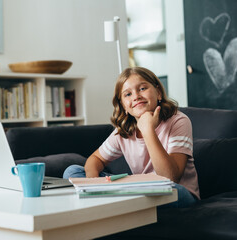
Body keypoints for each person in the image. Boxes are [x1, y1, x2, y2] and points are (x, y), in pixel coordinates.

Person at [63, 67, 200, 207]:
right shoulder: (124, 131)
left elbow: (170, 177)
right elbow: (95, 159)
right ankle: (110, 200)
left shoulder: (178, 121)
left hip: (176, 192)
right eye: (127, 94)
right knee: (73, 171)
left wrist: (148, 130)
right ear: (123, 106)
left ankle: (115, 203)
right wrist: (93, 185)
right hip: (139, 189)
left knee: (170, 189)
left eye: (142, 89)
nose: (136, 96)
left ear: (158, 93)